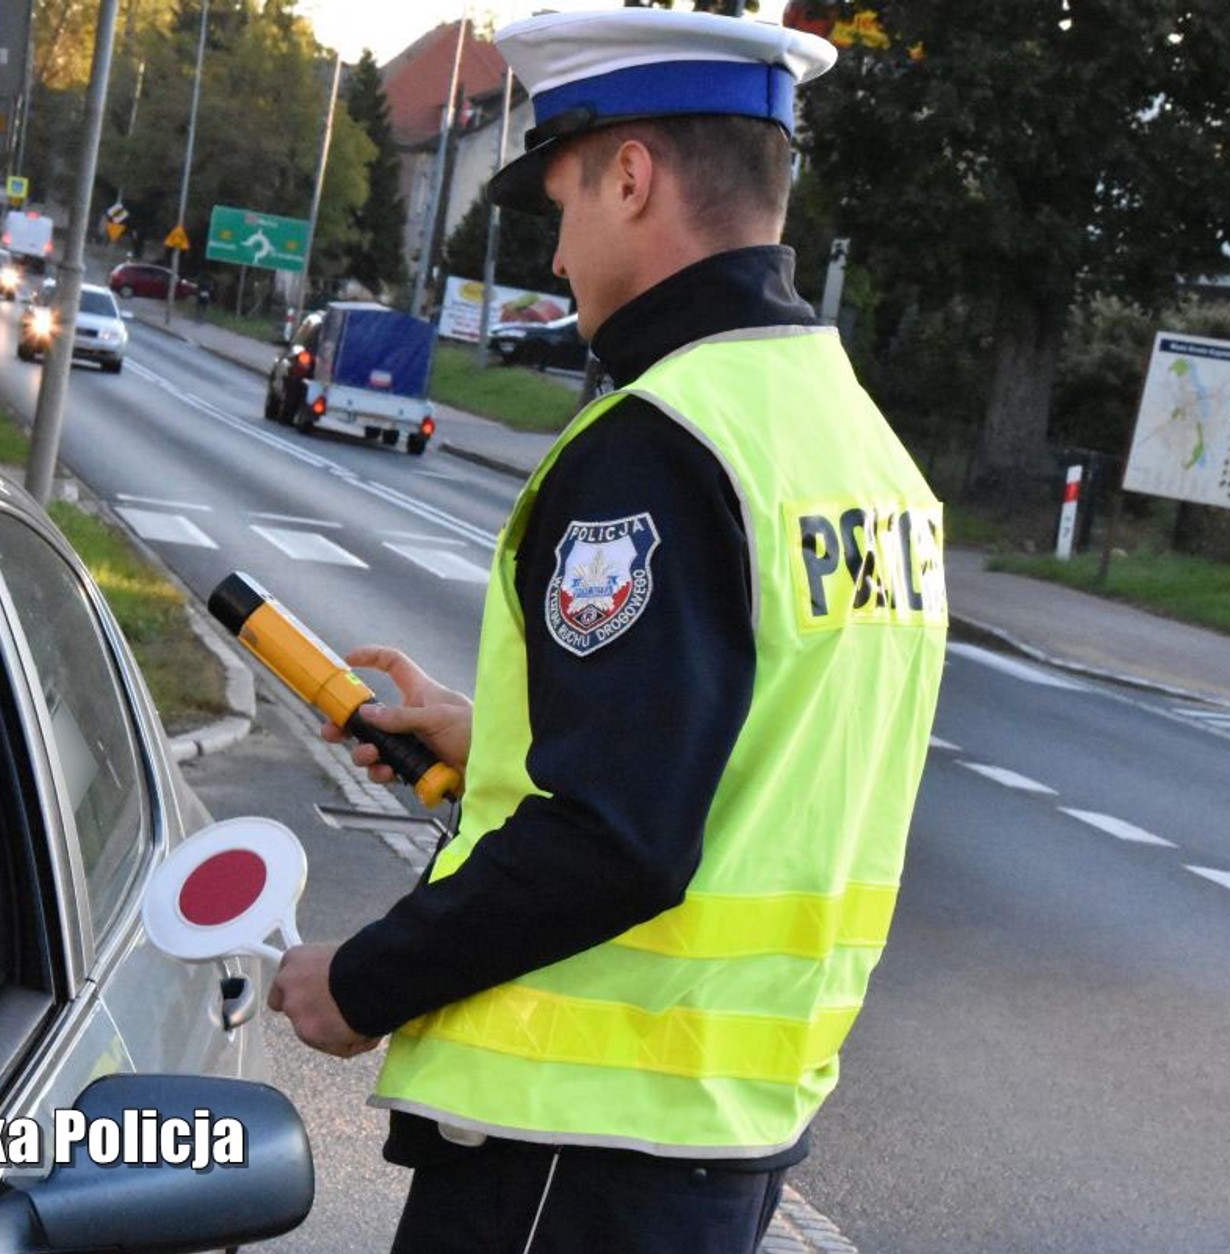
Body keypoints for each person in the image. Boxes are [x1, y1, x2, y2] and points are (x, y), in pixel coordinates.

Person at [267, 10, 949, 1251]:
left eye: (565, 202)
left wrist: (360, 982)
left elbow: (613, 843)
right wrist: (502, 744)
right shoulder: (855, 445)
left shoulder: (663, 440)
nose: (558, 255)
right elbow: (761, 755)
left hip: (567, 1155)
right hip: (715, 1140)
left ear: (631, 177)